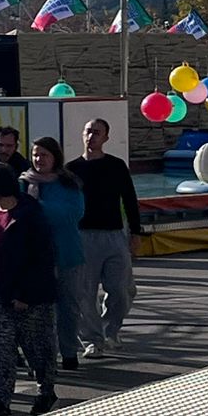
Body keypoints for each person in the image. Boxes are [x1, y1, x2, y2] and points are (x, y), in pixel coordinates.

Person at [0, 162, 60, 416]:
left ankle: (46, 390)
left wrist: (26, 295)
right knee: (1, 350)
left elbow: (42, 259)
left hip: (29, 298)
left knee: (37, 347)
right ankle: (2, 400)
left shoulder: (30, 215)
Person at [67, 118, 142, 360]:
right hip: (83, 236)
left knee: (121, 289)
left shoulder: (116, 166)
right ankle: (92, 340)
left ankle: (111, 330)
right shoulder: (71, 169)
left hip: (114, 234)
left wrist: (136, 233)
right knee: (85, 293)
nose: (92, 137)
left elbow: (130, 199)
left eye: (97, 133)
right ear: (82, 134)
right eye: (88, 131)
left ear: (106, 138)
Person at [25, 137, 89, 369]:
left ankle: (69, 351)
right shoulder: (25, 183)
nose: (39, 159)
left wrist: (37, 206)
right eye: (35, 154)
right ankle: (43, 354)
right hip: (35, 258)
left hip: (67, 254)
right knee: (40, 311)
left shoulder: (68, 183)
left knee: (68, 307)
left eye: (44, 154)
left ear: (55, 157)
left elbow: (72, 214)